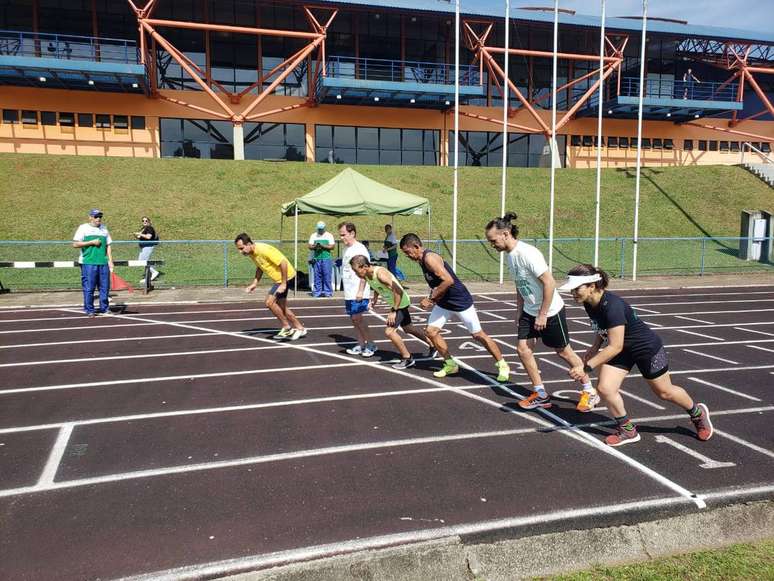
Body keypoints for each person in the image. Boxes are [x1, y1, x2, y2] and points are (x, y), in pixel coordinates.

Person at [560, 264, 713, 447]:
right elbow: (602, 327)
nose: (573, 293)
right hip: (623, 349)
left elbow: (615, 346)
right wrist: (595, 346)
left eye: (576, 289)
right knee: (606, 388)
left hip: (646, 349)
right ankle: (627, 430)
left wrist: (585, 367)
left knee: (664, 392)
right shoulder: (589, 302)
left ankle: (697, 413)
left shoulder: (613, 306)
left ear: (592, 286)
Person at [485, 213, 598, 412]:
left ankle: (589, 391)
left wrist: (543, 314)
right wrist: (520, 310)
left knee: (563, 351)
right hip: (530, 311)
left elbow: (549, 282)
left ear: (505, 234)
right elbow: (520, 285)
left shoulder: (528, 253)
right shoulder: (510, 257)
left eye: (493, 240)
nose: (492, 245)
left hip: (551, 311)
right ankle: (541, 394)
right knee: (523, 349)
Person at [399, 233, 510, 381]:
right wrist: (434, 296)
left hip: (460, 301)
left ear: (416, 246)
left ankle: (502, 365)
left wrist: (430, 298)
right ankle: (450, 363)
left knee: (478, 335)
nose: (408, 255)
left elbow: (448, 280)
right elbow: (436, 282)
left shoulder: (429, 258)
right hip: (444, 303)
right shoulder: (421, 260)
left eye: (408, 252)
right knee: (431, 332)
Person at [350, 255, 432, 369]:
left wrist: (394, 310)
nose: (355, 274)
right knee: (409, 328)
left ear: (364, 266)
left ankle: (407, 358)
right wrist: (375, 299)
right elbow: (377, 286)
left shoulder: (380, 274)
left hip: (400, 303)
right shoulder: (367, 275)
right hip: (397, 304)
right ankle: (433, 345)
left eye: (356, 271)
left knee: (390, 332)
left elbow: (398, 290)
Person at [234, 233, 306, 341]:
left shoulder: (263, 250)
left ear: (248, 244)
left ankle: (287, 328)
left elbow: (283, 263)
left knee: (269, 302)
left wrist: (283, 283)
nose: (240, 252)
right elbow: (260, 267)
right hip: (280, 280)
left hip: (287, 277)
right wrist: (255, 283)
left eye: (241, 248)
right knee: (281, 307)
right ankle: (300, 328)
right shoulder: (252, 253)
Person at [339, 222, 376, 357]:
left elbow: (365, 272)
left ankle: (371, 344)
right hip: (349, 291)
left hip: (358, 291)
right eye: (340, 235)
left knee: (358, 318)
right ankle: (361, 345)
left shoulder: (359, 249)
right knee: (354, 319)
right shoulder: (345, 249)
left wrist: (360, 291)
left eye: (344, 235)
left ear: (352, 233)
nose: (342, 238)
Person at [72, 208, 114, 317]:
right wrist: (91, 242)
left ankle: (104, 308)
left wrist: (110, 260)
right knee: (89, 287)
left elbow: (108, 245)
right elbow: (75, 244)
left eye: (100, 216)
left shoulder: (104, 229)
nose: (98, 218)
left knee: (104, 287)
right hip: (88, 262)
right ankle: (89, 309)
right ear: (90, 217)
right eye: (96, 216)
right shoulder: (83, 228)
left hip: (103, 263)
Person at [308, 221, 335, 298]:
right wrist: (315, 247)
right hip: (317, 258)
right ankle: (317, 292)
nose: (320, 230)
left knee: (327, 276)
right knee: (317, 276)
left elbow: (332, 246)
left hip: (326, 258)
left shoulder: (329, 235)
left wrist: (323, 246)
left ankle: (328, 292)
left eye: (321, 229)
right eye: (319, 229)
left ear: (324, 228)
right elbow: (309, 246)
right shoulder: (313, 235)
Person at [135, 215, 160, 285]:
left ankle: (154, 272)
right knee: (141, 261)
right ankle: (148, 276)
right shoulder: (144, 228)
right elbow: (141, 237)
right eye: (143, 220)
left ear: (149, 221)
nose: (144, 222)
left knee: (144, 261)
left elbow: (149, 237)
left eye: (146, 220)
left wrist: (140, 234)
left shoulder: (149, 228)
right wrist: (137, 235)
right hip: (144, 247)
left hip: (148, 246)